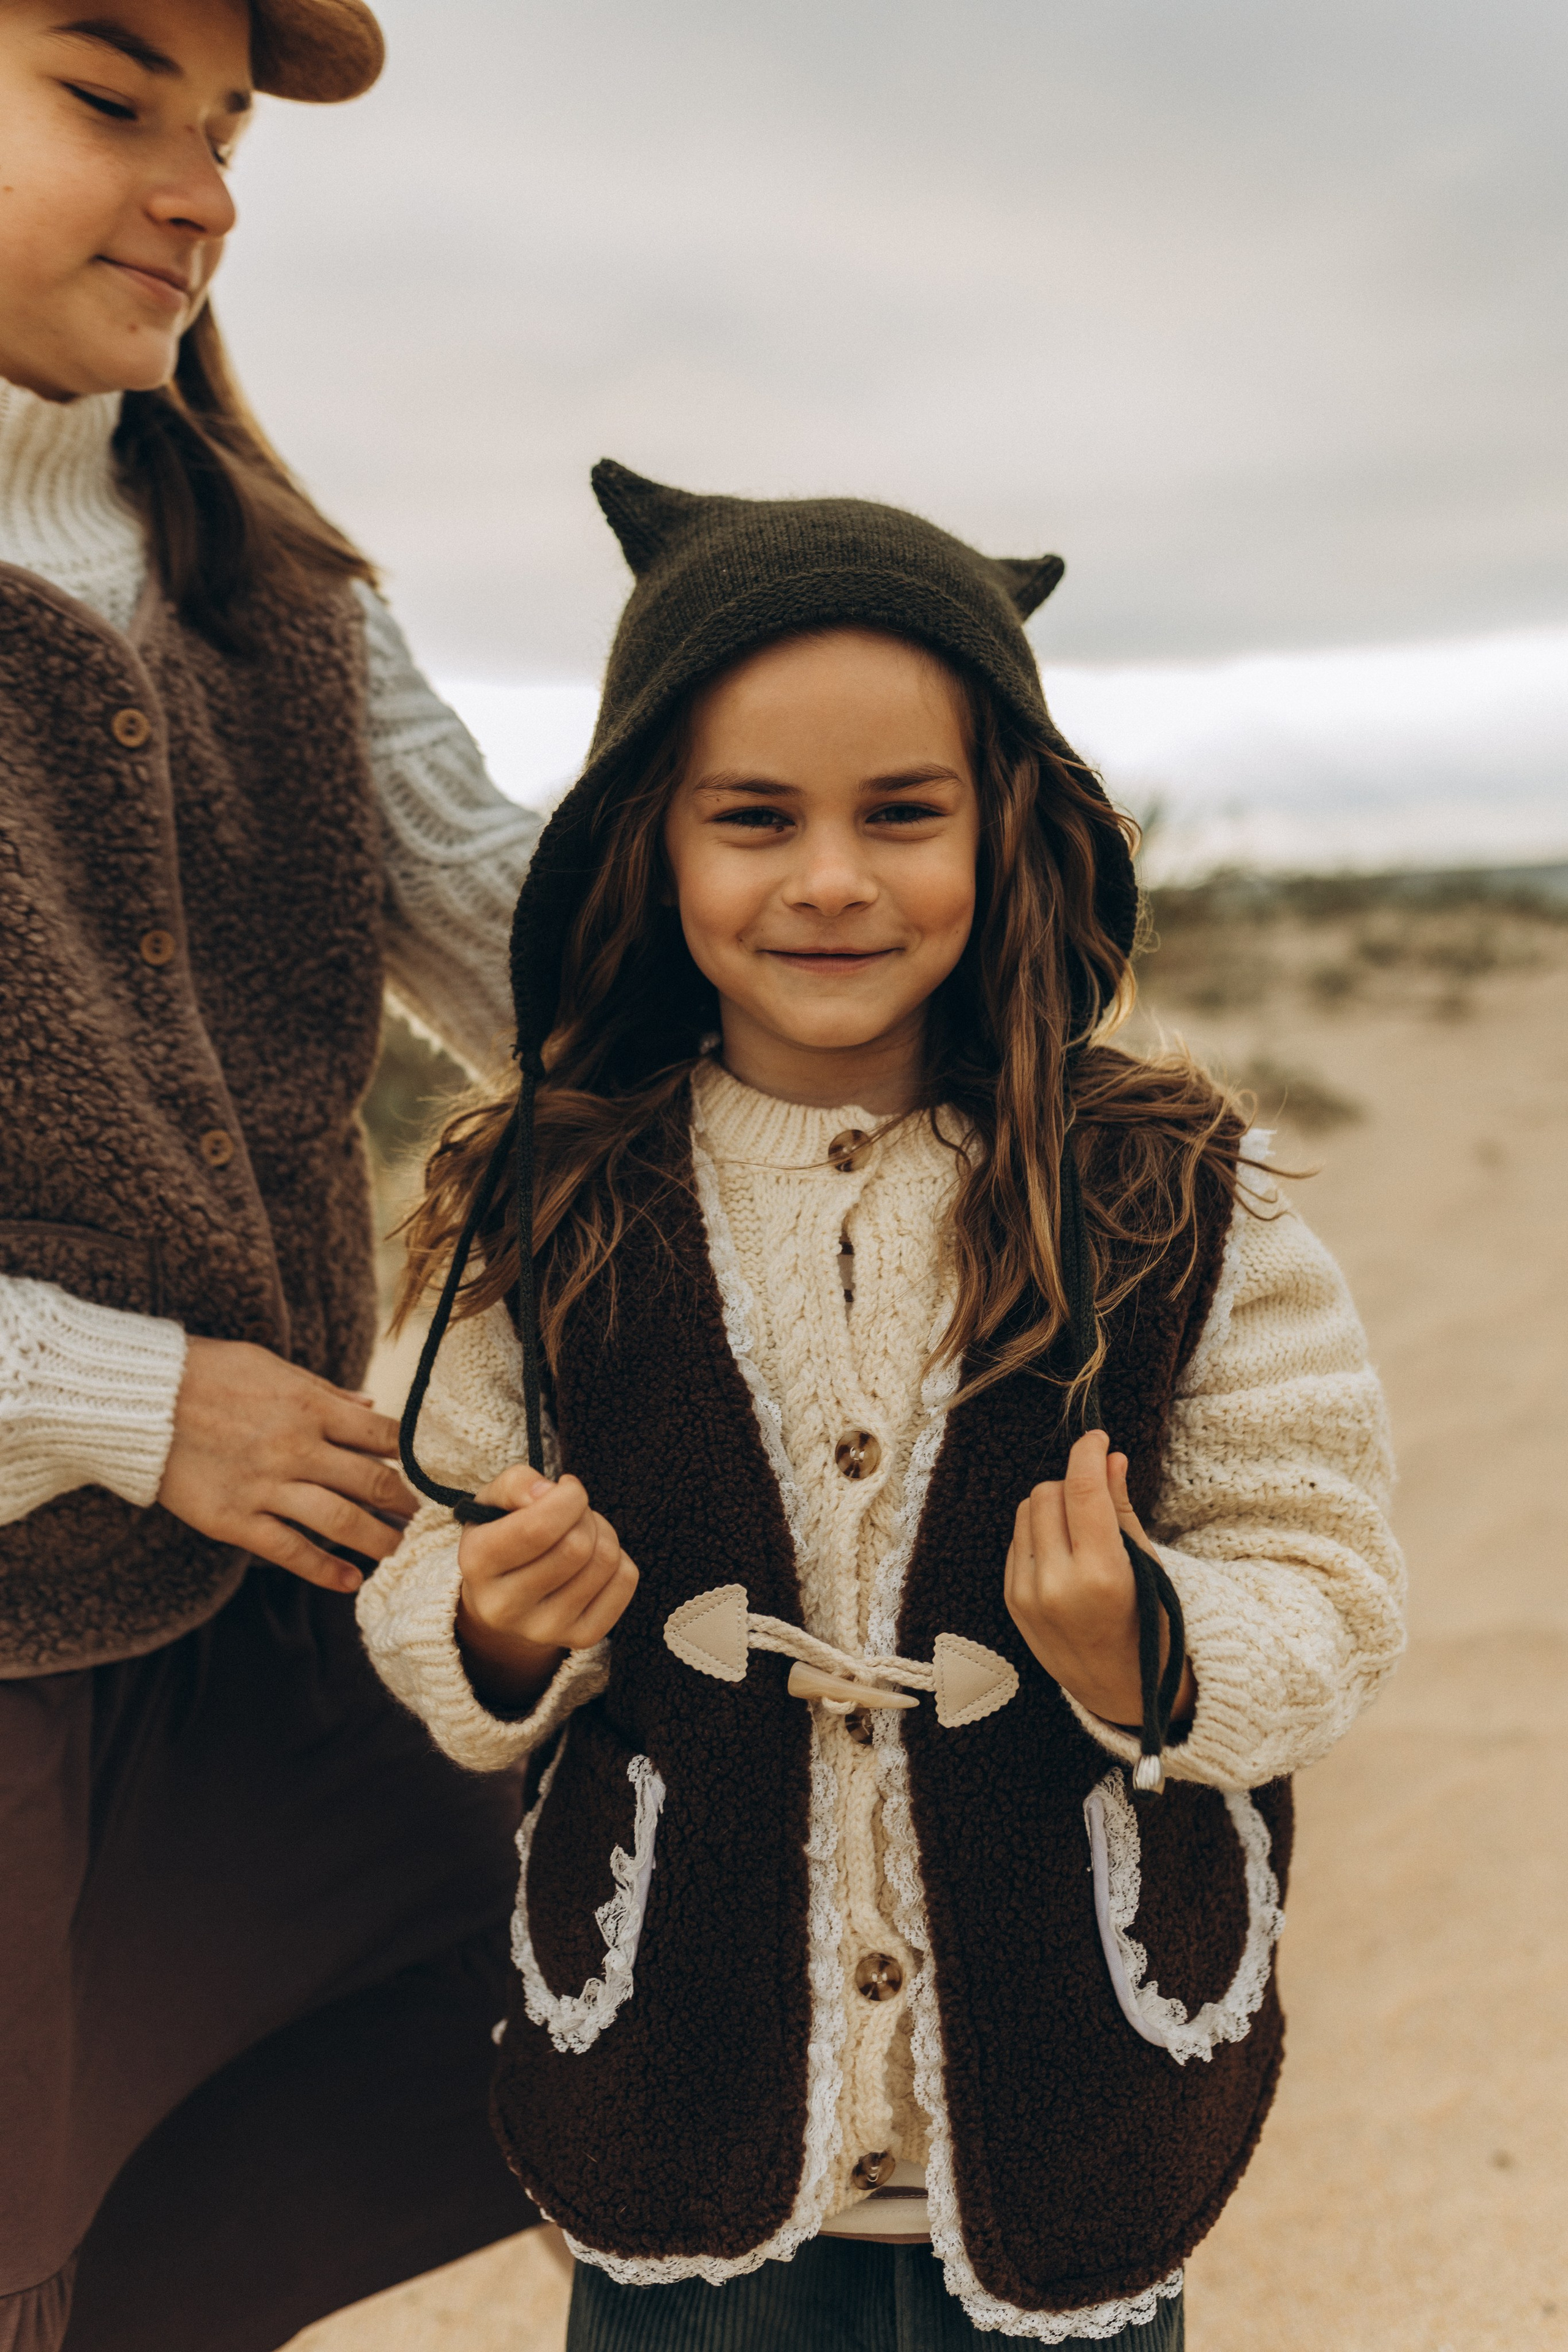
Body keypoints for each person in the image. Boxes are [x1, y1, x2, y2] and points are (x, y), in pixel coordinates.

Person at [361, 461, 1407, 2350]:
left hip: (1073, 2107)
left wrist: (1153, 1645)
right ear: (647, 849)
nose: (830, 878)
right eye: (753, 819)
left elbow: (1326, 1578)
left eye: (903, 815)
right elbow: (414, 1545)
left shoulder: (1176, 1191)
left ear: (1012, 831)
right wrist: (489, 1620)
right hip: (680, 2107)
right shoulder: (545, 1204)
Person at [0, 5, 549, 2346]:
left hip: (265, 1647)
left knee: (599, 1945)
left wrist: (924, 946)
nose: (204, 193)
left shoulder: (270, 583)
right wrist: (145, 1404)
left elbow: (552, 964)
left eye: (222, 136)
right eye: (107, 99)